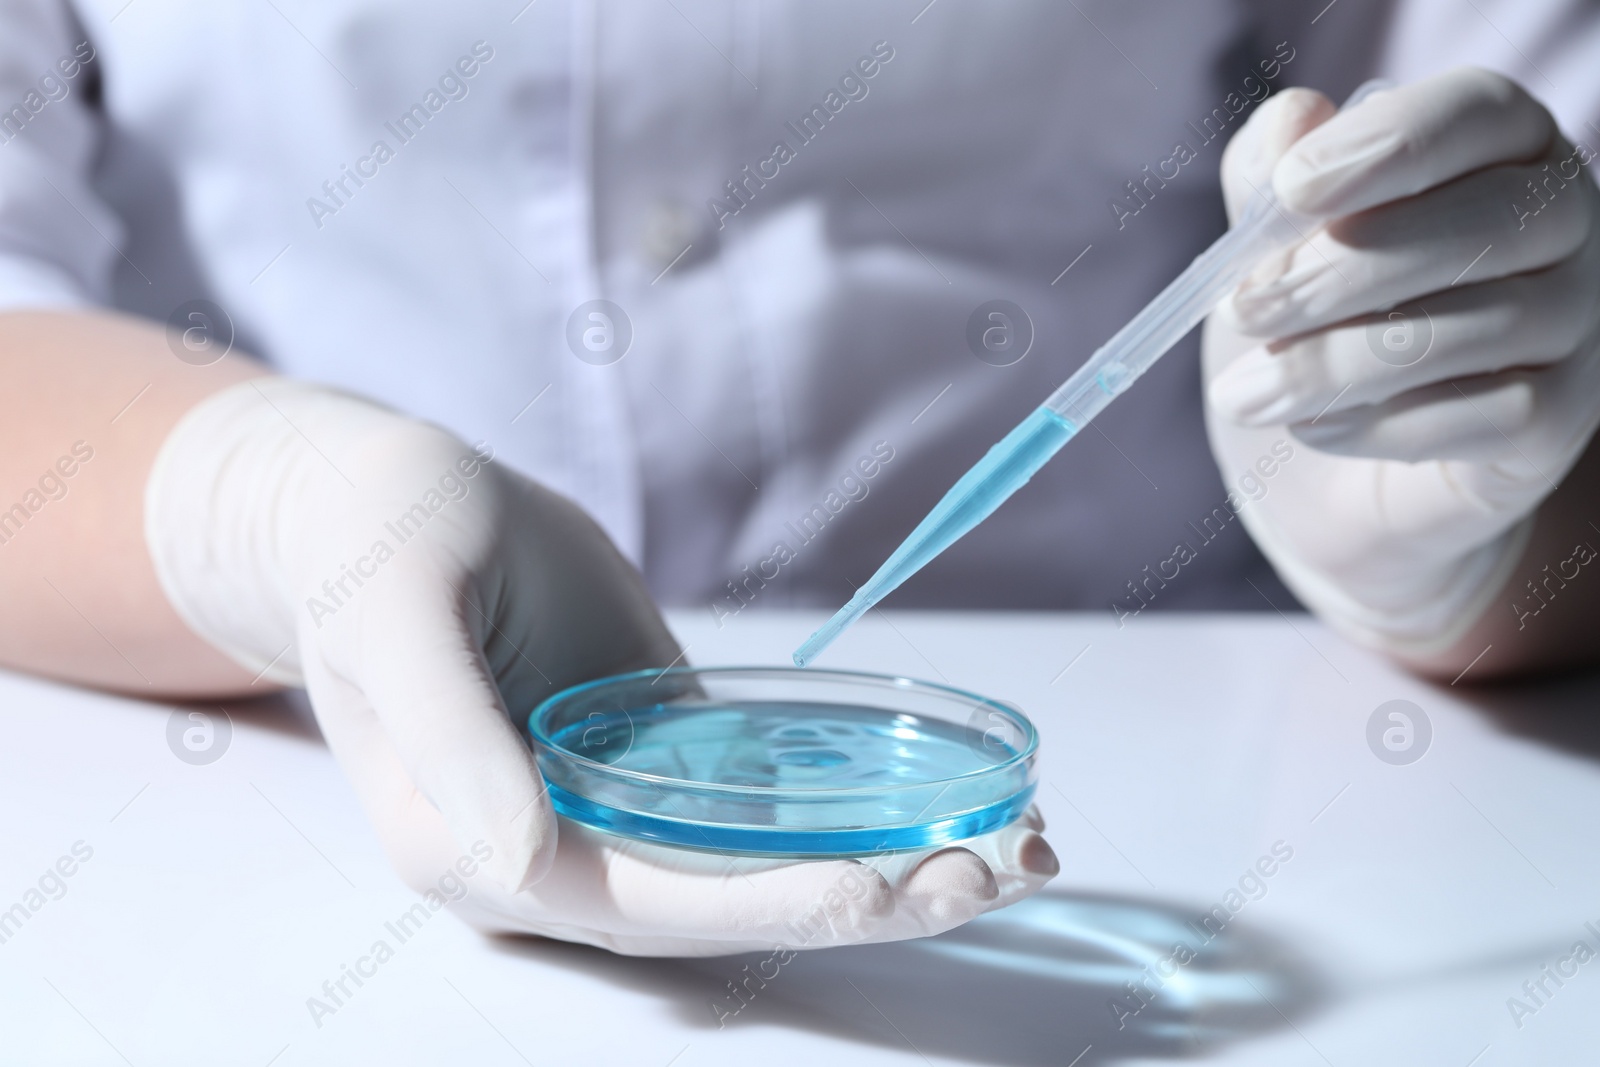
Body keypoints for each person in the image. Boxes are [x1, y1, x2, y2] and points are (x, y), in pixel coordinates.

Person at [0, 0, 1596, 955]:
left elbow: (1524, 166)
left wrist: (1481, 525)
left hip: (1239, 817)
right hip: (249, 800)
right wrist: (260, 502)